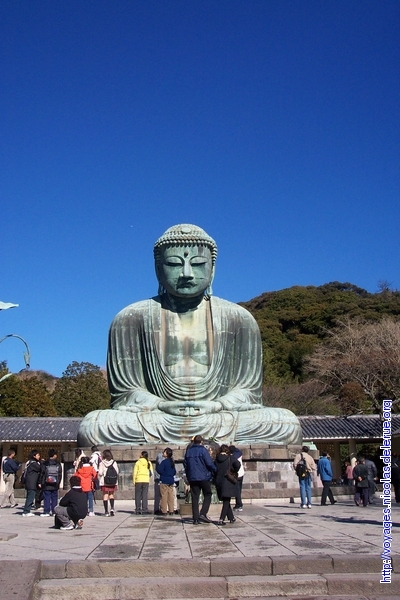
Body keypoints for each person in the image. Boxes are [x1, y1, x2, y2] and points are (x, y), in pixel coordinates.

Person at [77, 224, 302, 447]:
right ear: (158, 269)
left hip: (218, 415)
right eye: (175, 264)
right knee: (94, 425)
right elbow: (125, 393)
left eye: (198, 264)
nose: (186, 273)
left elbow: (248, 392)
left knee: (285, 423)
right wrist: (160, 405)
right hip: (158, 416)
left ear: (212, 269)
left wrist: (217, 406)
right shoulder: (130, 318)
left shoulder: (239, 319)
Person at [183, 434, 216, 525]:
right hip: (203, 477)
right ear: (201, 442)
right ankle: (203, 513)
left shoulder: (189, 451)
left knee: (195, 497)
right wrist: (215, 470)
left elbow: (185, 464)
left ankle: (195, 518)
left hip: (193, 477)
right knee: (208, 494)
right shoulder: (203, 450)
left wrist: (189, 474)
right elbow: (209, 463)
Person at [214, 444, 240, 525]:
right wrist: (233, 471)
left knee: (226, 500)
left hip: (219, 481)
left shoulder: (216, 459)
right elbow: (238, 465)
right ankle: (221, 519)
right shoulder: (230, 458)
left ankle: (231, 518)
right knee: (226, 501)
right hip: (228, 481)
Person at [40, 449, 62, 517]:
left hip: (46, 483)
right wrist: (58, 482)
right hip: (55, 483)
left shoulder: (45, 463)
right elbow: (60, 474)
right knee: (54, 497)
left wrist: (41, 482)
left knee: (46, 497)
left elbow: (42, 473)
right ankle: (54, 511)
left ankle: (46, 511)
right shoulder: (58, 463)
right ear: (54, 455)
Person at [98, 449, 119, 516]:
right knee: (111, 495)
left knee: (105, 495)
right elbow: (117, 472)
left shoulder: (102, 463)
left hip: (105, 481)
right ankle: (112, 508)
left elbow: (100, 473)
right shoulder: (114, 462)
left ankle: (106, 511)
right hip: (113, 481)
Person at [22, 450, 43, 517]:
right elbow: (40, 468)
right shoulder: (34, 464)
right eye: (38, 455)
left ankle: (26, 510)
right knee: (30, 497)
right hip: (31, 483)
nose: (39, 457)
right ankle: (26, 511)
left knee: (29, 496)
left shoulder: (29, 462)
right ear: (34, 456)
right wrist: (42, 462)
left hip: (29, 482)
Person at [156, 448, 176, 515]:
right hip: (171, 480)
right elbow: (174, 472)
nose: (163, 453)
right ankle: (171, 510)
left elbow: (159, 470)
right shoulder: (171, 462)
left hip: (164, 480)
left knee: (164, 496)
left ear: (167, 454)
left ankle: (164, 510)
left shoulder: (164, 462)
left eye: (164, 452)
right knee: (170, 496)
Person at [133, 450, 153, 514]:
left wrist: (134, 481)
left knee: (138, 495)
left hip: (138, 480)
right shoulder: (148, 462)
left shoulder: (138, 462)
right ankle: (145, 509)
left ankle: (138, 509)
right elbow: (151, 472)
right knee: (144, 495)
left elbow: (134, 473)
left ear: (142, 455)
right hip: (146, 480)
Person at [229, 445, 244, 512]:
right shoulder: (239, 453)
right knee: (239, 490)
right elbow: (237, 450)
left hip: (237, 475)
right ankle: (239, 504)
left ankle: (239, 505)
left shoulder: (233, 457)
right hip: (241, 474)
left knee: (237, 491)